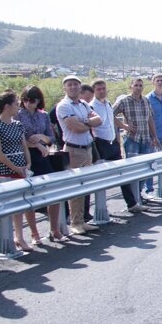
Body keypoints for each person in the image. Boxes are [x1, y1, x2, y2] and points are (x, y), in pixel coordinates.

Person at [56, 75, 102, 234]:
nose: (73, 87)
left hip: (87, 148)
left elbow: (99, 120)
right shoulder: (63, 106)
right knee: (75, 188)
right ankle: (75, 223)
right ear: (65, 88)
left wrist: (85, 123)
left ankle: (82, 220)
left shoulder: (83, 104)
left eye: (76, 84)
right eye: (70, 85)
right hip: (74, 150)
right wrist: (87, 123)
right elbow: (75, 127)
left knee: (85, 187)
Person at [0, 91, 34, 252]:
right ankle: (6, 238)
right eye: (16, 104)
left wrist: (27, 163)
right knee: (7, 205)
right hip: (5, 169)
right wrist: (15, 168)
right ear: (7, 107)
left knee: (20, 205)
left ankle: (19, 237)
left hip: (21, 166)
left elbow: (24, 145)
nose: (18, 107)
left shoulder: (17, 124)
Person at [17, 85, 63, 242]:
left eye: (32, 100)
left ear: (38, 100)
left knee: (53, 194)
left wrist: (41, 137)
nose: (28, 103)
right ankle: (34, 233)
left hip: (43, 157)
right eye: (25, 99)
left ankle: (54, 229)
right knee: (30, 197)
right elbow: (19, 139)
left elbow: (51, 138)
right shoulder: (17, 115)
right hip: (26, 158)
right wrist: (36, 144)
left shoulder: (43, 116)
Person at [95, 80, 143, 213]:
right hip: (100, 143)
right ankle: (100, 211)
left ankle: (132, 204)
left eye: (103, 88)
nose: (102, 91)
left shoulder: (107, 103)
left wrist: (123, 127)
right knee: (99, 179)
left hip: (112, 143)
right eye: (98, 89)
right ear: (94, 91)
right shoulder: (92, 106)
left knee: (122, 174)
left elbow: (112, 118)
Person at [143, 73, 162, 198]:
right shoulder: (148, 98)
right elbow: (147, 118)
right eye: (157, 80)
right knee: (151, 162)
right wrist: (151, 135)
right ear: (153, 82)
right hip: (152, 135)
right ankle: (149, 189)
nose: (160, 82)